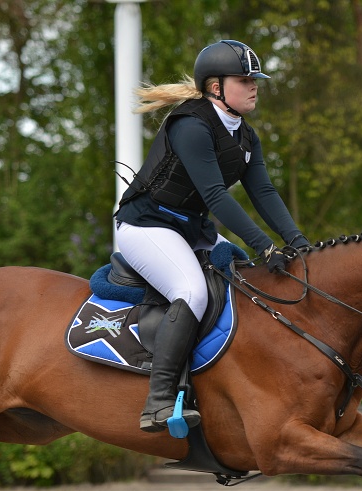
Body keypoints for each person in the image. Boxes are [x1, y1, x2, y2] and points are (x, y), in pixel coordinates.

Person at [114, 40, 309, 433]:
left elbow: (265, 193)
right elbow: (216, 196)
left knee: (247, 278)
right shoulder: (191, 125)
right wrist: (265, 244)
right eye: (245, 79)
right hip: (146, 226)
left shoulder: (246, 137)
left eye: (256, 79)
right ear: (216, 87)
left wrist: (298, 241)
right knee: (193, 291)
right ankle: (159, 401)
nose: (255, 86)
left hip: (191, 230)